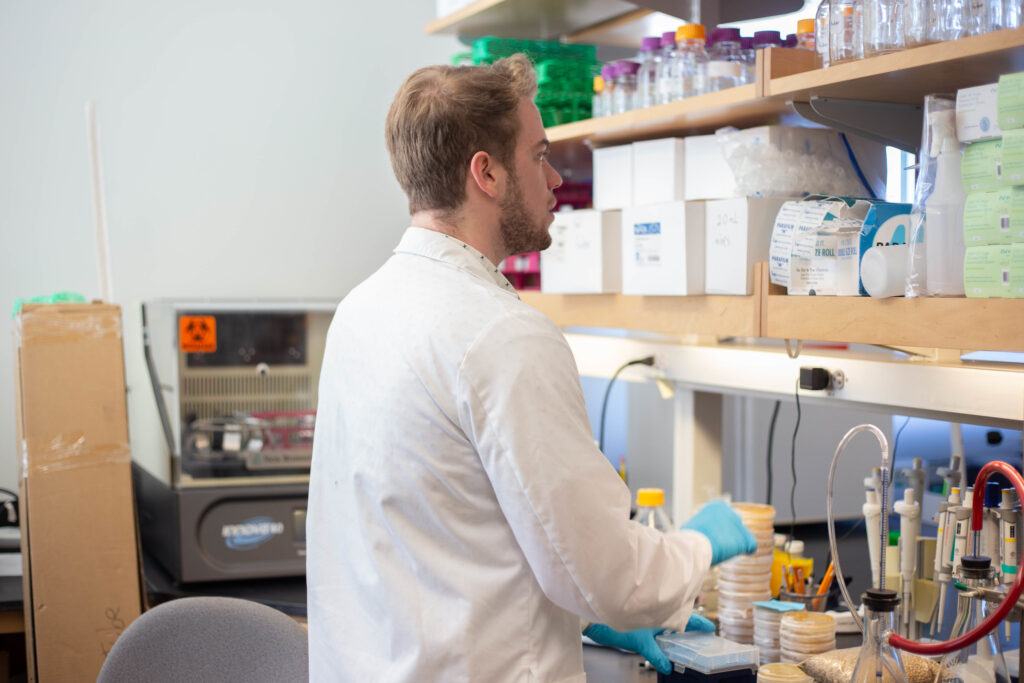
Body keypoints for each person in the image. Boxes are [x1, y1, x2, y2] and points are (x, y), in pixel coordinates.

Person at [306, 54, 757, 682]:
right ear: (485, 173)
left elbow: (439, 541)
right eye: (539, 155)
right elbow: (610, 575)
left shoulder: (359, 311)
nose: (553, 180)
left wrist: (579, 615)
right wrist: (700, 545)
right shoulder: (503, 336)